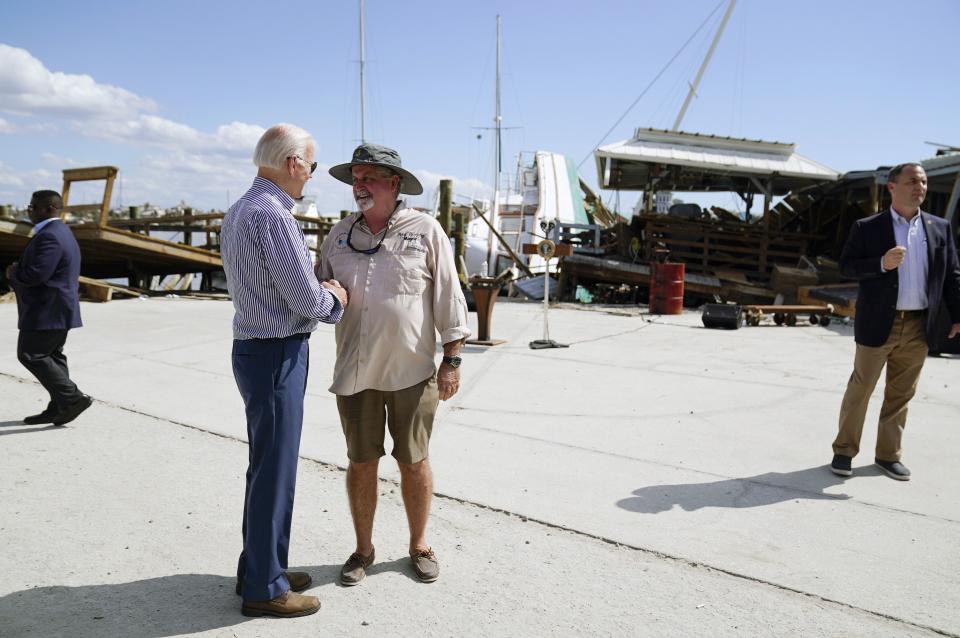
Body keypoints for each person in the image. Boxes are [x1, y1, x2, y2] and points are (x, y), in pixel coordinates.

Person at [317, 143, 470, 586]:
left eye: (368, 178)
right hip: (355, 373)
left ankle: (419, 545)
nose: (359, 186)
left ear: (394, 183)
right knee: (361, 462)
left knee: (414, 460)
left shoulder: (425, 230)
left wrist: (452, 362)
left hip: (412, 373)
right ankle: (363, 549)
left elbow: (449, 300)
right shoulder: (339, 235)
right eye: (355, 178)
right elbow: (316, 292)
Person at [219, 124, 348, 618]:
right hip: (276, 353)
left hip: (255, 349)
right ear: (293, 164)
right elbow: (306, 299)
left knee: (265, 467)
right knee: (275, 471)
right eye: (312, 166)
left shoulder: (240, 208)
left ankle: (260, 565)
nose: (311, 175)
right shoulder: (273, 216)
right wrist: (335, 297)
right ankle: (265, 587)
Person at [830, 162, 960, 480]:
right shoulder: (867, 227)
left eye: (924, 182)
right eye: (913, 181)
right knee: (860, 390)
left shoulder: (939, 228)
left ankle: (888, 456)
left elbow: (952, 275)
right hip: (878, 322)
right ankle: (844, 451)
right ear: (892, 187)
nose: (920, 187)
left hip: (919, 325)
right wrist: (881, 263)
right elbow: (846, 266)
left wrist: (958, 314)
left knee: (901, 394)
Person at [6, 190, 92, 426]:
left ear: (50, 208)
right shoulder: (59, 232)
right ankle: (59, 406)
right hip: (57, 308)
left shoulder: (50, 236)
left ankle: (73, 398)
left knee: (31, 354)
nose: (29, 210)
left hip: (47, 309)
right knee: (52, 356)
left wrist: (14, 274)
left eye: (34, 207)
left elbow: (37, 275)